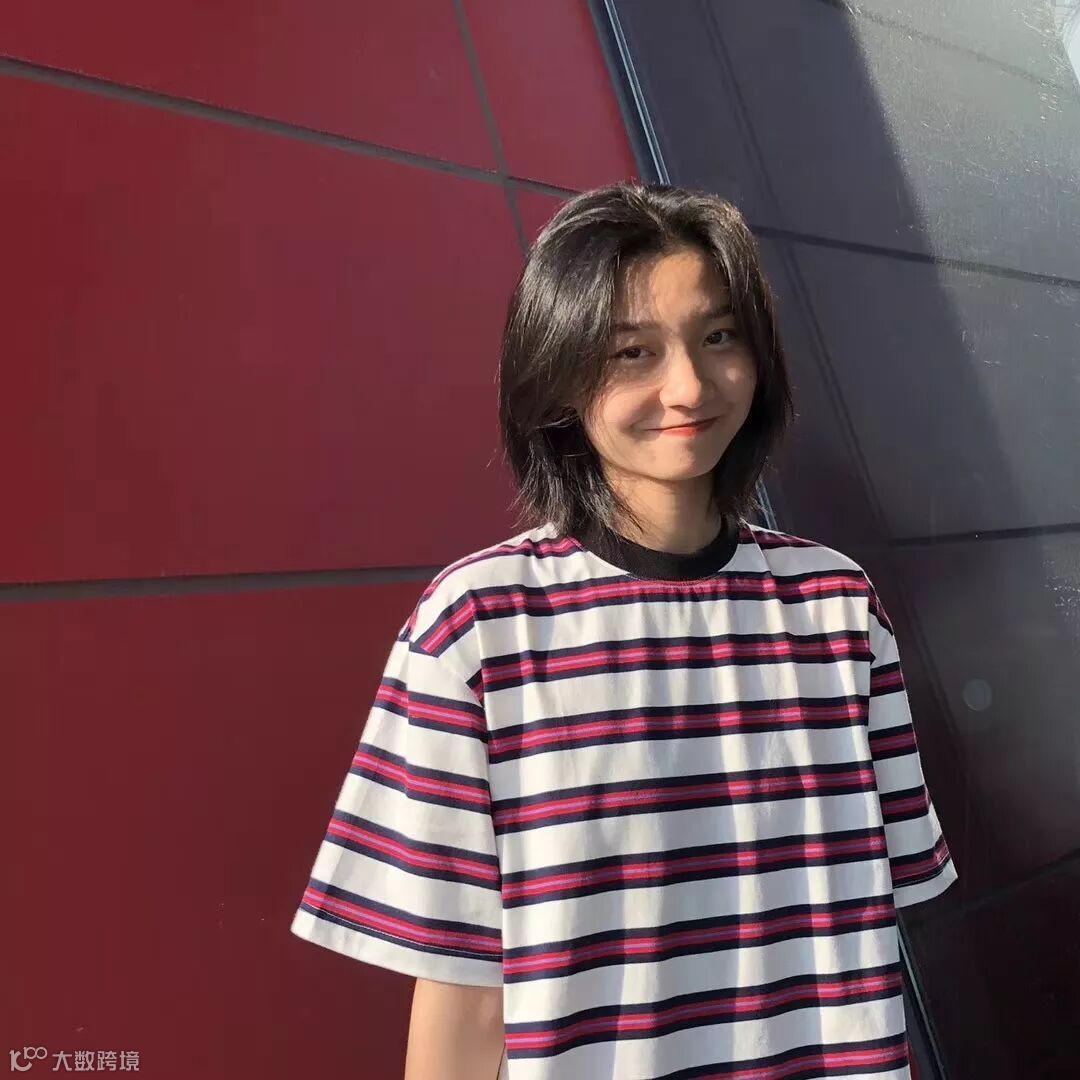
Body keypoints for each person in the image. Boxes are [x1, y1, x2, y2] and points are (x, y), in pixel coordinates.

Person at [290, 181, 958, 1080]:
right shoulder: (479, 629)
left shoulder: (838, 610)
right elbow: (463, 991)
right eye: (631, 352)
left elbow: (873, 913)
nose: (688, 386)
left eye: (719, 337)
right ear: (560, 377)